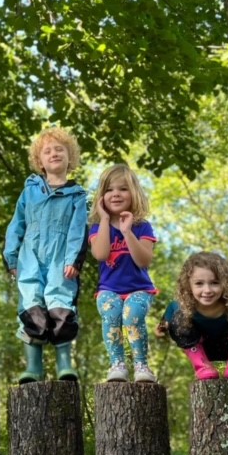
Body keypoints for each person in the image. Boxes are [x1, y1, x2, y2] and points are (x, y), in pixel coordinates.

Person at [3, 126, 88, 384]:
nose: (53, 154)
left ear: (70, 158)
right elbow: (16, 224)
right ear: (39, 161)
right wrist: (11, 257)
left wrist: (74, 260)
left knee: (59, 304)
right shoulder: (30, 191)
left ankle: (64, 363)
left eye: (59, 149)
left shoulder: (77, 195)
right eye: (47, 151)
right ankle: (33, 366)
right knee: (32, 305)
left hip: (61, 260)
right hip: (29, 259)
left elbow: (78, 231)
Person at [89, 163, 158, 383]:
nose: (115, 194)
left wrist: (127, 231)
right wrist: (106, 220)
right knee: (111, 314)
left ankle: (141, 365)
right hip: (109, 290)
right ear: (101, 196)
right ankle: (117, 364)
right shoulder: (98, 227)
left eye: (122, 189)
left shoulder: (142, 226)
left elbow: (144, 260)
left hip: (139, 289)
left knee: (132, 314)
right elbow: (100, 254)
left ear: (133, 193)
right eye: (109, 190)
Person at [156, 251, 228, 380]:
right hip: (202, 348)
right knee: (178, 318)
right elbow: (172, 307)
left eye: (215, 283)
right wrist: (163, 324)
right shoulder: (183, 305)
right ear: (188, 285)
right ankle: (202, 367)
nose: (207, 290)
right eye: (199, 283)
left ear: (225, 283)